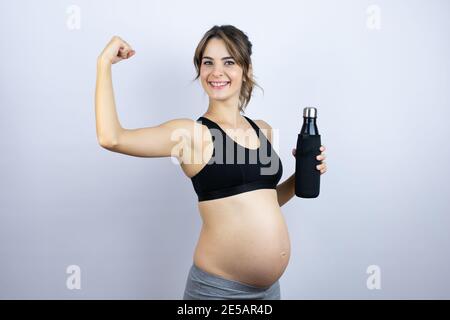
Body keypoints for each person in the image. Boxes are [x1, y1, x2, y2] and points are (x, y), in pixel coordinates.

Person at [95, 25, 327, 300]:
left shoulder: (262, 130)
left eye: (228, 62)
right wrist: (104, 64)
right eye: (208, 63)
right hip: (218, 291)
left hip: (269, 292)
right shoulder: (191, 135)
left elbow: (264, 201)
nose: (217, 71)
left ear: (246, 69)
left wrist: (304, 175)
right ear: (200, 71)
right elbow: (112, 138)